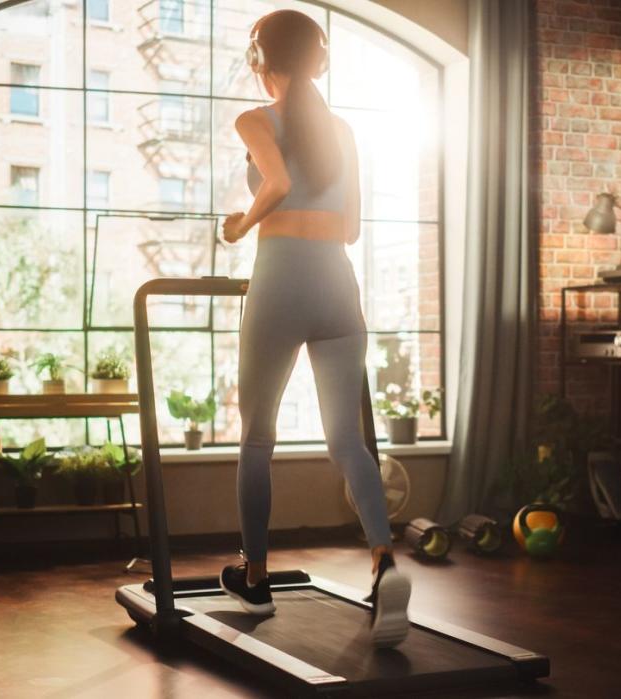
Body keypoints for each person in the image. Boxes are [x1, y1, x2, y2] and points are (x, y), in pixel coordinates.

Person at [216, 9, 411, 648]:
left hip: (279, 282)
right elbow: (352, 228)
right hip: (337, 283)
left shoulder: (254, 119)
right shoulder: (344, 132)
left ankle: (256, 576)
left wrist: (241, 225)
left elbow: (277, 181)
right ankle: (383, 558)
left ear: (258, 60)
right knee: (348, 442)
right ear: (319, 61)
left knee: (257, 439)